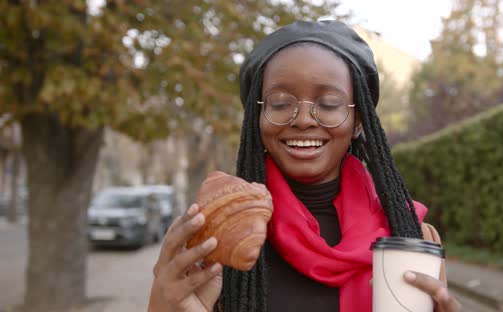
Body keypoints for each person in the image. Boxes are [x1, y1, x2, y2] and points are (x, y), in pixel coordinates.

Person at [148, 20, 462, 312]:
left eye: (328, 104)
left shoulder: (411, 238)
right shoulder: (213, 239)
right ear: (257, 119)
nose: (302, 120)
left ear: (358, 121)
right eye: (281, 103)